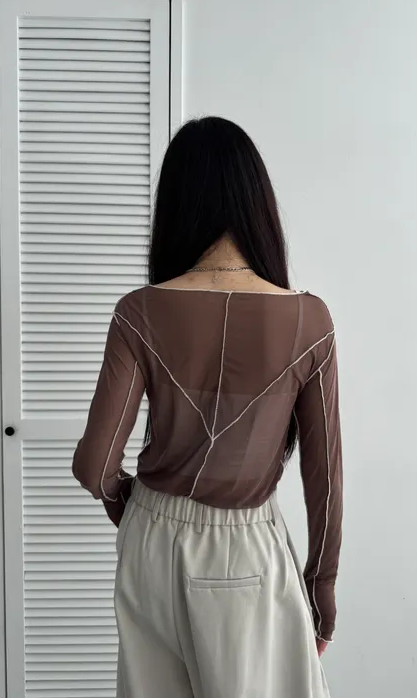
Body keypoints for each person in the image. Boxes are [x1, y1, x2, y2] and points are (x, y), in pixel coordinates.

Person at [72, 116, 343, 698]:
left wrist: (131, 505)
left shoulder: (139, 311)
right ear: (257, 202)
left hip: (149, 541)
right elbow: (324, 476)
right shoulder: (309, 320)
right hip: (244, 549)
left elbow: (94, 467)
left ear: (174, 205)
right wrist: (322, 587)